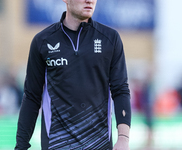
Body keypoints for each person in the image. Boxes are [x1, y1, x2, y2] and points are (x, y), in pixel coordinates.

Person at [15, 0, 131, 149]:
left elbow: (120, 90)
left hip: (98, 145)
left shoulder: (110, 39)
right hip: (57, 145)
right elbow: (31, 97)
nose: (89, 1)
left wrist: (123, 138)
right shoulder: (42, 41)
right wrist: (21, 146)